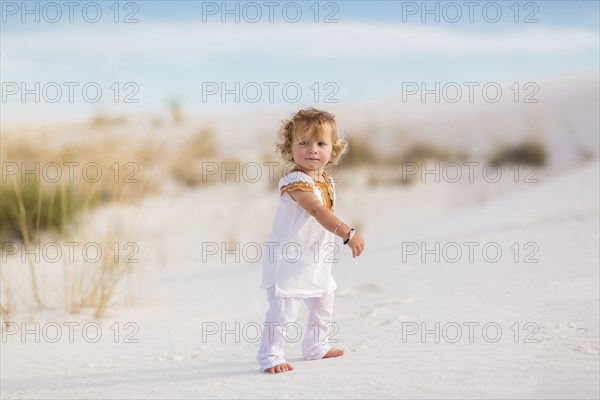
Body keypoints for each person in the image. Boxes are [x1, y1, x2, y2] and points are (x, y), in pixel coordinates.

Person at [257, 107, 365, 374]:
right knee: (284, 312)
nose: (312, 149)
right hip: (288, 262)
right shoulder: (295, 181)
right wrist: (348, 233)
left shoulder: (326, 179)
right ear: (289, 147)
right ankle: (270, 356)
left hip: (315, 259)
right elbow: (318, 212)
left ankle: (316, 347)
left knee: (323, 303)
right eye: (303, 143)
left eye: (320, 143)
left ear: (333, 149)